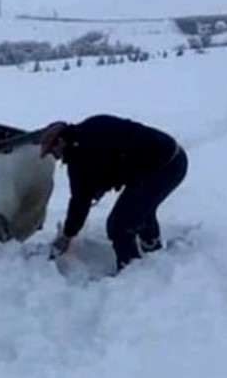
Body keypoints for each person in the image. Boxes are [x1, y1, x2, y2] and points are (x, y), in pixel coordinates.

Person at [39, 115, 188, 271]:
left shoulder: (81, 156)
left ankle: (132, 272)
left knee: (120, 224)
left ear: (61, 142)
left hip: (165, 167)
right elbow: (114, 159)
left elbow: (80, 200)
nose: (54, 157)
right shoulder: (91, 127)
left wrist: (67, 235)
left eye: (52, 151)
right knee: (139, 210)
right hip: (170, 158)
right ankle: (152, 251)